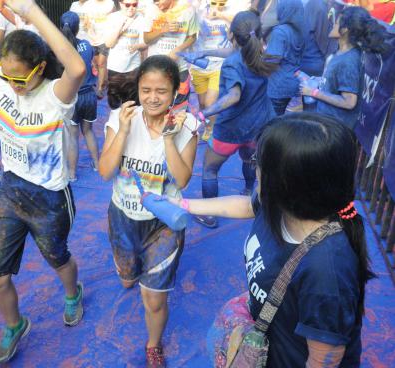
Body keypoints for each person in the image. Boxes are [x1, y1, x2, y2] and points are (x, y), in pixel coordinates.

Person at [174, 112, 373, 367]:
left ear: (286, 182)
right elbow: (247, 205)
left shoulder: (326, 269)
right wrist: (183, 204)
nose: (254, 167)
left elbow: (324, 359)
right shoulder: (280, 205)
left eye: (258, 161)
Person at [0, 0, 86, 363]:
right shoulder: (3, 80)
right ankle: (15, 324)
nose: (12, 86)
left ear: (41, 69)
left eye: (21, 79)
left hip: (50, 199)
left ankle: (72, 293)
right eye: (6, 77)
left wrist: (31, 12)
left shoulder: (55, 96)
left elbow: (76, 66)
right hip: (12, 191)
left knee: (58, 259)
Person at [99, 55, 198, 368]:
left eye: (161, 91)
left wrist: (169, 137)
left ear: (174, 93)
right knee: (129, 280)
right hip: (123, 218)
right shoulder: (119, 119)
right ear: (138, 90)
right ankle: (132, 271)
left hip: (164, 224)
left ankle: (153, 345)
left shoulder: (188, 127)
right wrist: (125, 131)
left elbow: (182, 179)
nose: (153, 98)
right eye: (146, 90)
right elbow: (104, 171)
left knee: (153, 298)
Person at [195, 10, 276, 228]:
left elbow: (234, 95)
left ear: (231, 35)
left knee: (209, 169)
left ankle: (209, 214)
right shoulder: (262, 55)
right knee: (250, 160)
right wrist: (206, 52)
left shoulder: (233, 63)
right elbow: (235, 54)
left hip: (230, 130)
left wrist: (204, 113)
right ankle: (249, 192)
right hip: (257, 127)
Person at [301, 6, 389, 130]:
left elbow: (349, 102)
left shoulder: (349, 61)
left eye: (336, 23)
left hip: (334, 128)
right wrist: (321, 81)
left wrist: (314, 92)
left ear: (345, 30)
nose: (332, 24)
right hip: (327, 120)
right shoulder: (342, 53)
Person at [60, 11, 100, 180]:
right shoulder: (87, 45)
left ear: (61, 27)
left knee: (72, 135)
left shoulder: (61, 50)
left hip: (73, 97)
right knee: (88, 131)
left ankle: (72, 173)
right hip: (89, 95)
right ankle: (98, 165)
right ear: (77, 29)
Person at [190, 0, 234, 141]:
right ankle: (209, 123)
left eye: (222, 3)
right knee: (202, 104)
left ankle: (211, 127)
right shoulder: (199, 11)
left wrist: (221, 15)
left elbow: (241, 23)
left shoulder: (228, 13)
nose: (218, 5)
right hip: (199, 66)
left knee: (210, 104)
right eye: (215, 2)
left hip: (218, 65)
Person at [143, 0, 199, 108]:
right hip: (155, 69)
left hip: (180, 69)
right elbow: (146, 40)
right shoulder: (151, 10)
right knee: (155, 105)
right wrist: (163, 30)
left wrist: (178, 50)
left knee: (179, 109)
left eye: (158, 1)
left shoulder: (188, 10)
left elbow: (192, 37)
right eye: (154, 1)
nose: (157, 3)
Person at [264, 0, 305, 115]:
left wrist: (260, 58)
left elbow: (273, 60)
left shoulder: (280, 31)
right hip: (293, 82)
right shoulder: (299, 30)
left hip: (278, 85)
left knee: (272, 121)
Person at [105, 0, 147, 110]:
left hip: (133, 69)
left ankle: (131, 126)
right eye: (128, 5)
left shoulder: (141, 19)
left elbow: (145, 44)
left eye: (135, 4)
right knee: (114, 105)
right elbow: (109, 43)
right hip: (115, 68)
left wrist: (136, 47)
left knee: (132, 105)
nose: (131, 8)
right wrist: (120, 28)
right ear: (120, 3)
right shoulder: (112, 18)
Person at [83, 0, 117, 98]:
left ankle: (100, 88)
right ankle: (104, 80)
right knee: (95, 63)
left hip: (105, 39)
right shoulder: (88, 4)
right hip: (92, 38)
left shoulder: (110, 3)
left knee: (101, 63)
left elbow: (116, 18)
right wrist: (87, 25)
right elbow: (86, 23)